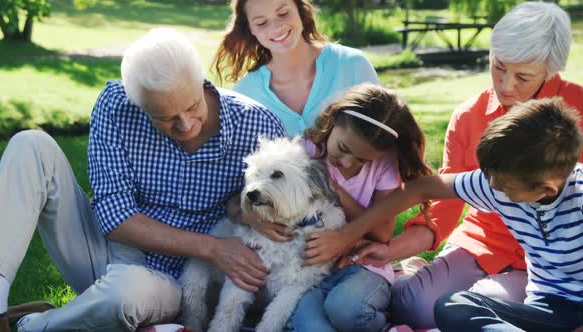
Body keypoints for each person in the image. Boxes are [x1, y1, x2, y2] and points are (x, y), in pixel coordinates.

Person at [303, 2, 583, 329]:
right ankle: (412, 274)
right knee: (416, 307)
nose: (506, 86)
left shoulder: (573, 121)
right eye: (498, 67)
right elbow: (440, 202)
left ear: (549, 70)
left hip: (554, 275)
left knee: (479, 307)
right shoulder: (470, 122)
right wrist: (386, 247)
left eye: (523, 76)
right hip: (484, 244)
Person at [0, 27, 286, 332]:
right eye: (165, 117)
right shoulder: (116, 105)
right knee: (30, 145)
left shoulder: (257, 125)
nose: (185, 125)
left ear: (201, 81)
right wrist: (213, 247)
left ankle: (36, 325)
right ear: (139, 103)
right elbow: (115, 217)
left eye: (192, 106)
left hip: (181, 283)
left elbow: (288, 205)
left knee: (125, 291)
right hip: (106, 253)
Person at [350, 97, 583, 331]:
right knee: (452, 306)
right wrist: (351, 231)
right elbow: (421, 188)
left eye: (504, 186)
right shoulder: (504, 178)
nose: (492, 186)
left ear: (546, 189)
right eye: (489, 176)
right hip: (544, 308)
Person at [284, 83, 432, 332]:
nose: (346, 162)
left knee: (347, 310)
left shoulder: (384, 164)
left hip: (361, 264)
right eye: (343, 148)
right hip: (307, 271)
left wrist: (334, 188)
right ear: (334, 120)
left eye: (362, 160)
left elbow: (382, 234)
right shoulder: (303, 152)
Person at [213, 0, 380, 136]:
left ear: (300, 10)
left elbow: (384, 139)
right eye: (261, 23)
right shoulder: (246, 93)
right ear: (250, 29)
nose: (277, 27)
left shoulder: (354, 65)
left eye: (284, 13)